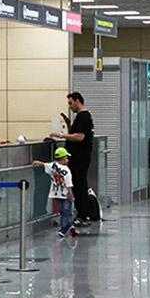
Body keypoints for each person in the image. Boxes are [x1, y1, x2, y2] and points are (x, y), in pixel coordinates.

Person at [50, 92, 94, 225]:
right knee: (79, 184)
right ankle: (83, 214)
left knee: (79, 185)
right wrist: (69, 125)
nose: (69, 106)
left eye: (70, 103)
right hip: (80, 156)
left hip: (80, 157)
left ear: (77, 101)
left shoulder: (83, 116)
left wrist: (61, 135)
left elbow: (79, 137)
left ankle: (83, 215)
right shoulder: (82, 117)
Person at [34, 148, 75, 237]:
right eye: (66, 157)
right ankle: (67, 226)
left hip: (56, 194)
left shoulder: (52, 165)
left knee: (63, 211)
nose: (67, 159)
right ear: (63, 158)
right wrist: (71, 194)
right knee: (67, 210)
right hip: (65, 194)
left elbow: (45, 165)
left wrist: (38, 163)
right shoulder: (66, 170)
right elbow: (69, 184)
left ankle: (68, 226)